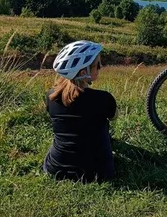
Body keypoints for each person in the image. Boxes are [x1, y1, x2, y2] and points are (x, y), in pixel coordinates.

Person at [42, 40, 117, 183]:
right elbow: (114, 117)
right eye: (97, 65)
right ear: (84, 72)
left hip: (56, 169)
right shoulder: (103, 98)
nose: (100, 68)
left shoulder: (51, 96)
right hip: (98, 173)